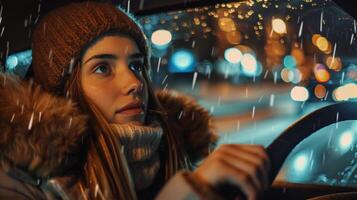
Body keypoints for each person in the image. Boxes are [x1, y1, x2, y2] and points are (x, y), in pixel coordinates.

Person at [0, 2, 270, 199]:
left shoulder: (175, 150)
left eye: (136, 65)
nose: (134, 83)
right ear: (64, 91)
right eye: (102, 68)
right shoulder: (23, 180)